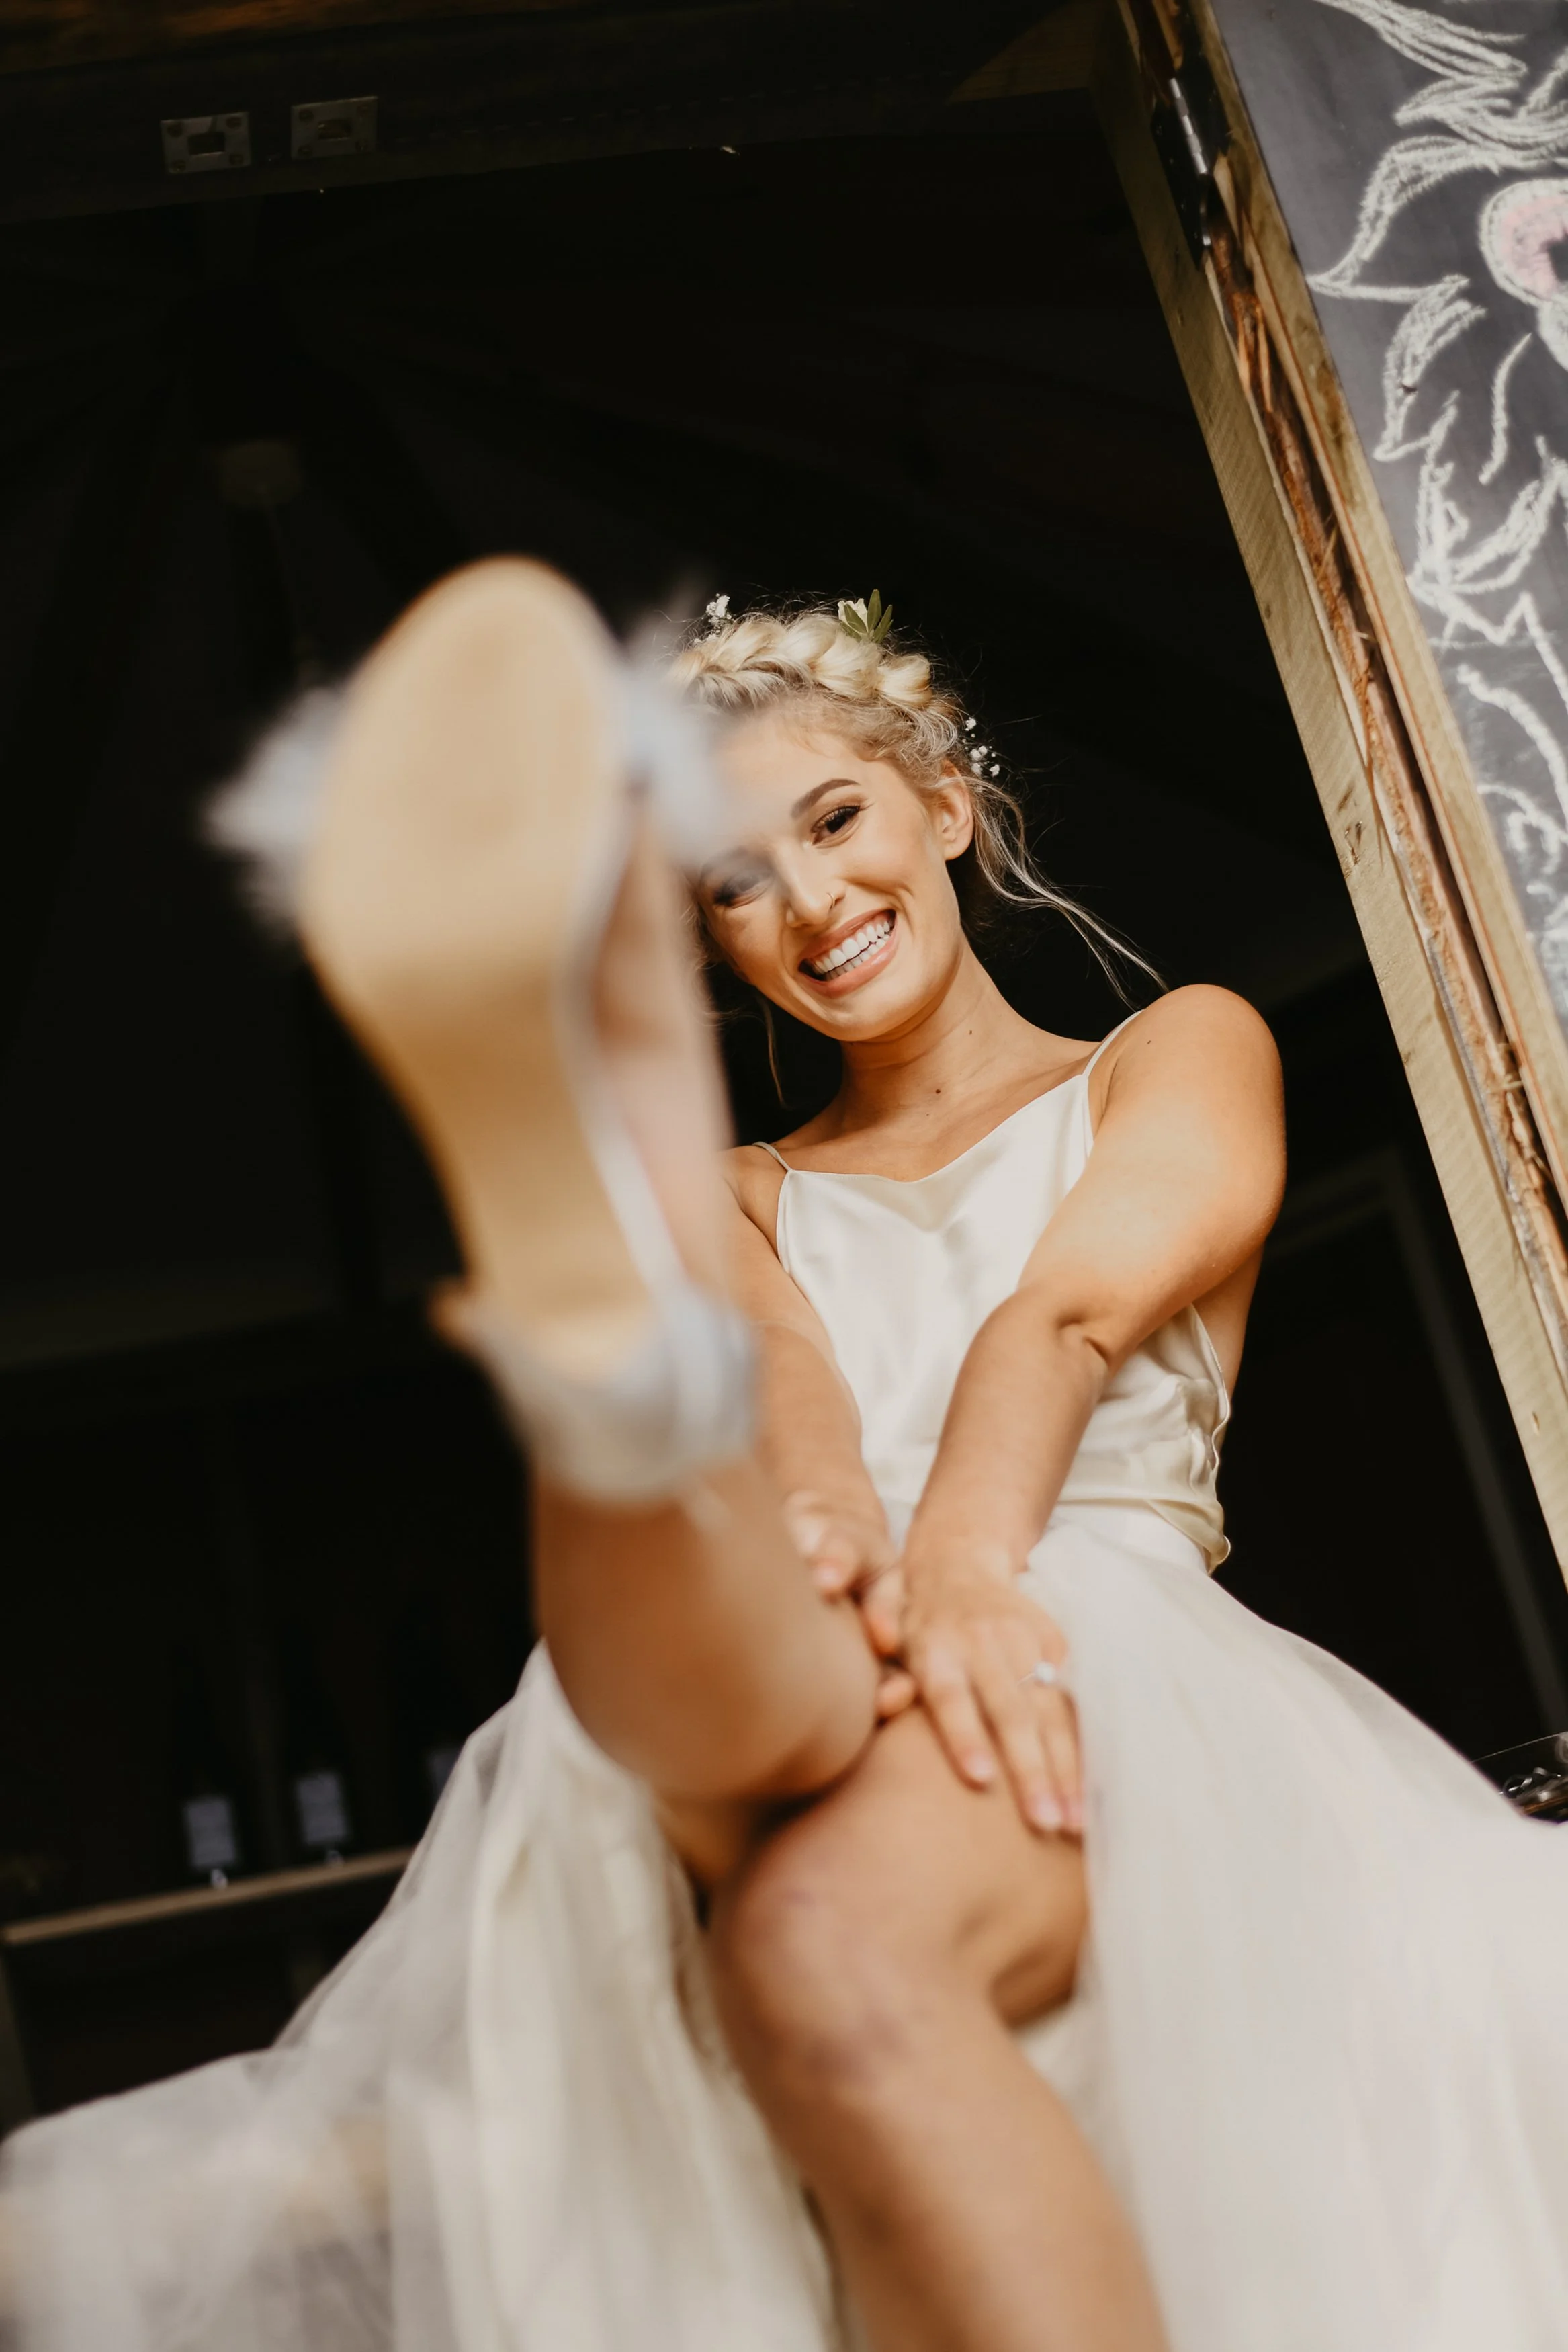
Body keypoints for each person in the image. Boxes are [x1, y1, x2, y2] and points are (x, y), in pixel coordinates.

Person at [4, 559, 1568, 2352]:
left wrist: (960, 1565)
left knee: (808, 1914)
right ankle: (609, 1373)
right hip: (805, 1599)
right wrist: (833, 1533)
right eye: (730, 883)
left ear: (946, 806)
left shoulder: (1171, 1052)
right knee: (741, 1543)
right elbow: (796, 1400)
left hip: (1058, 1604)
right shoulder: (745, 1192)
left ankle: (602, 1350)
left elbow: (1056, 1319)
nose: (808, 903)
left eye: (834, 821)